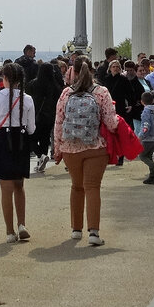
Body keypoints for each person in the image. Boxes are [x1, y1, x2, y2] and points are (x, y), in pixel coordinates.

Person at [52, 56, 120, 246]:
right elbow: (111, 123)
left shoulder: (66, 93)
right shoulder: (102, 92)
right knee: (92, 187)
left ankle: (75, 229)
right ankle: (94, 232)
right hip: (95, 147)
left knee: (76, 186)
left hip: (70, 148)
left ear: (72, 71)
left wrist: (57, 149)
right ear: (92, 70)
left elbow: (58, 123)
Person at [0, 62, 36, 243]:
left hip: (3, 140)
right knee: (19, 185)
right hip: (20, 140)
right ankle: (22, 224)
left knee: (6, 189)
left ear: (4, 78)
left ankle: (9, 231)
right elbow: (31, 129)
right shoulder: (27, 99)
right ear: (20, 80)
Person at [29, 59, 62, 173]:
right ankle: (41, 159)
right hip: (50, 117)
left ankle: (40, 155)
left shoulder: (33, 84)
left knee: (31, 138)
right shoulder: (55, 86)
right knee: (44, 138)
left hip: (36, 115)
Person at [136, 91, 154, 185]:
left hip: (148, 138)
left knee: (142, 156)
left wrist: (141, 136)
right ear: (153, 100)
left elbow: (146, 126)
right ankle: (152, 176)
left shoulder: (146, 112)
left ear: (142, 102)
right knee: (149, 156)